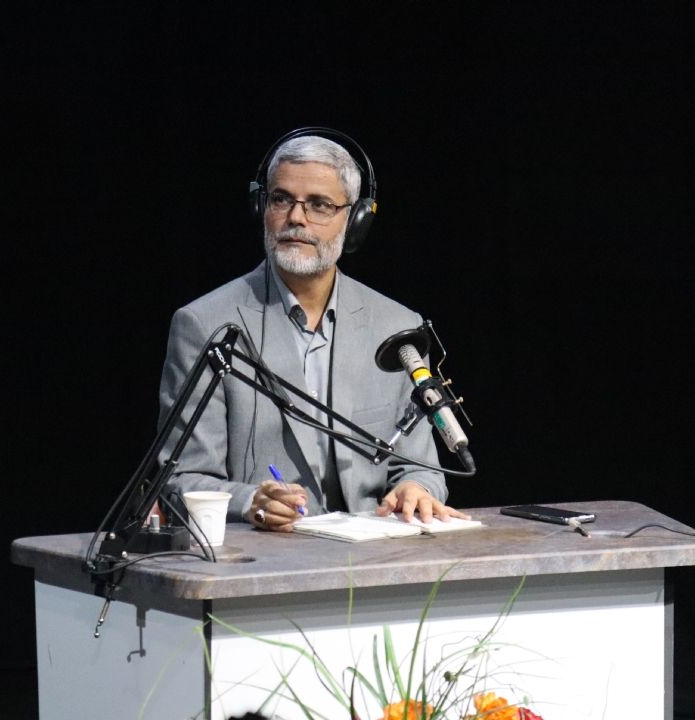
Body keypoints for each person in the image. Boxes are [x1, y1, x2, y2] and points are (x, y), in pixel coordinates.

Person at [156, 129, 470, 532]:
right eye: (281, 199)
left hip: (375, 554)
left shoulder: (398, 328)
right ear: (261, 206)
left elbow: (421, 468)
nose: (296, 218)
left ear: (355, 221)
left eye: (319, 205)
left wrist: (415, 488)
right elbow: (180, 479)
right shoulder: (205, 325)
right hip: (266, 555)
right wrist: (251, 501)